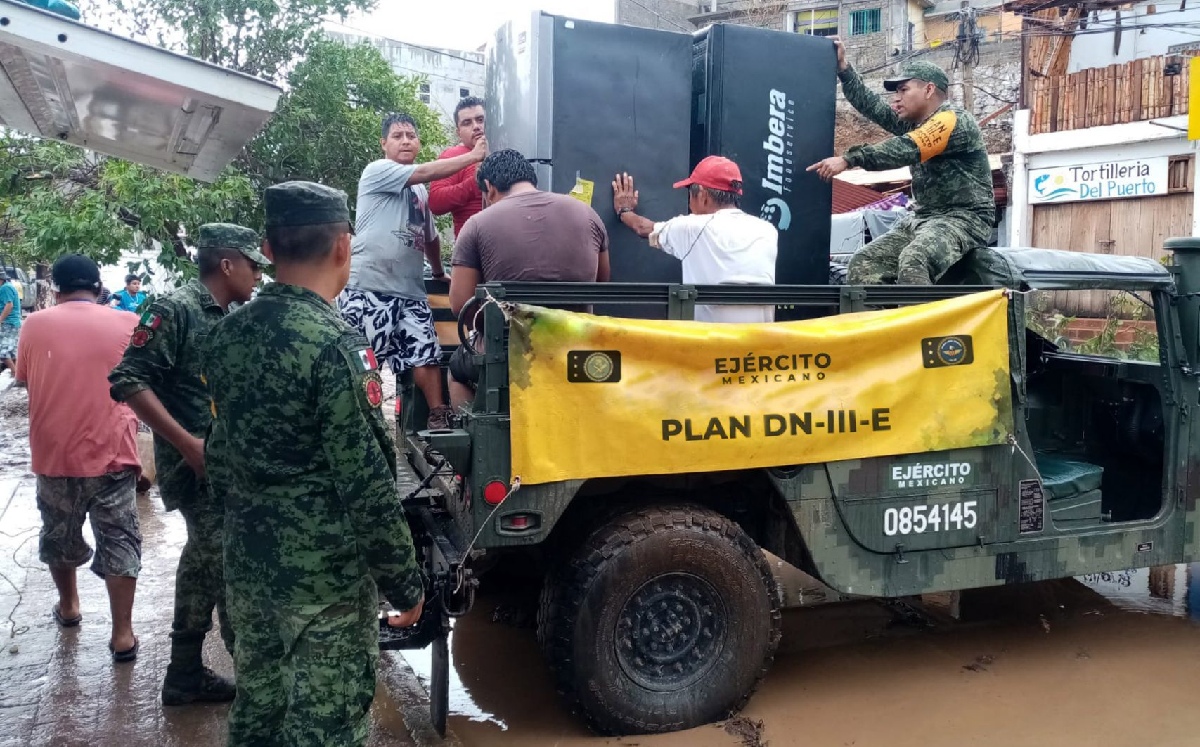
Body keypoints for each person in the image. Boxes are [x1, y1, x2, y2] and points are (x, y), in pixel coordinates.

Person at [204, 182, 425, 747]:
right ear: (344, 247)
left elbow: (219, 454)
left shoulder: (226, 334)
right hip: (323, 579)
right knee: (326, 723)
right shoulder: (335, 346)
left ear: (268, 250)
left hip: (248, 564)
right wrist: (404, 582)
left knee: (258, 709)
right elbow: (366, 482)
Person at [109, 223, 267, 706]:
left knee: (209, 560)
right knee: (225, 565)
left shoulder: (231, 313)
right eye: (253, 264)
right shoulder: (174, 309)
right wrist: (186, 445)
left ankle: (190, 672)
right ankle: (249, 687)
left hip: (225, 465)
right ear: (227, 265)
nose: (259, 274)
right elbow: (127, 379)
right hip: (196, 468)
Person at [15, 254, 142, 662]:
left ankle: (69, 607)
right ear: (99, 287)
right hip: (113, 452)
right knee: (120, 539)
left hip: (55, 452)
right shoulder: (128, 321)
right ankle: (122, 635)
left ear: (55, 289)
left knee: (59, 534)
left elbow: (24, 379)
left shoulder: (34, 324)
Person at [338, 111, 487, 430]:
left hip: (410, 291)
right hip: (370, 287)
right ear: (384, 143)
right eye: (397, 136)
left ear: (418, 142)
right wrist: (474, 156)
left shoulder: (419, 192)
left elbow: (430, 236)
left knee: (426, 354)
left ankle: (438, 415)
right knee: (361, 361)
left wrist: (438, 272)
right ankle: (353, 422)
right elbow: (427, 171)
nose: (405, 141)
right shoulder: (378, 171)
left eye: (411, 136)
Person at [807, 42, 994, 285]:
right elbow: (874, 107)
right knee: (865, 263)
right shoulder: (916, 124)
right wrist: (844, 69)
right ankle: (883, 311)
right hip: (923, 218)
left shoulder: (953, 120)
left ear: (928, 89)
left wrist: (849, 159)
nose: (896, 99)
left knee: (915, 259)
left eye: (903, 90)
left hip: (964, 219)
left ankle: (919, 312)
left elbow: (907, 148)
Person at [447, 148, 610, 410]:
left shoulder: (477, 224)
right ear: (531, 179)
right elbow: (601, 284)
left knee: (456, 370)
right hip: (576, 346)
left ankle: (477, 433)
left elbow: (461, 306)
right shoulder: (588, 214)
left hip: (506, 352)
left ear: (489, 187)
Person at [612, 156, 777, 323]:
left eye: (690, 194)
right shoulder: (767, 230)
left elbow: (643, 228)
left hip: (712, 337)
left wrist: (624, 210)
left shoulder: (693, 228)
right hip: (759, 337)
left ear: (703, 196)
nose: (690, 203)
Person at [429, 96, 487, 237]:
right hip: (472, 243)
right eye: (467, 123)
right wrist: (474, 183)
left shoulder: (505, 148)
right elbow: (435, 202)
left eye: (480, 120)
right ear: (458, 133)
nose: (476, 126)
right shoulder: (453, 156)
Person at [0, 269, 20, 377]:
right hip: (12, 323)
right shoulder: (7, 286)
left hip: (8, 323)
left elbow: (9, 305)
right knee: (11, 351)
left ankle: (14, 372)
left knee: (2, 352)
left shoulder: (5, 288)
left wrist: (0, 320)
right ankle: (18, 374)